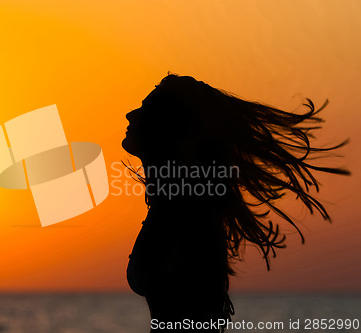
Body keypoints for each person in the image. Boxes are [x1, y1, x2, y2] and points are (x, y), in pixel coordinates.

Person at [122, 73, 350, 332]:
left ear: (168, 129)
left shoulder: (186, 208)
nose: (130, 114)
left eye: (145, 109)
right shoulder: (180, 201)